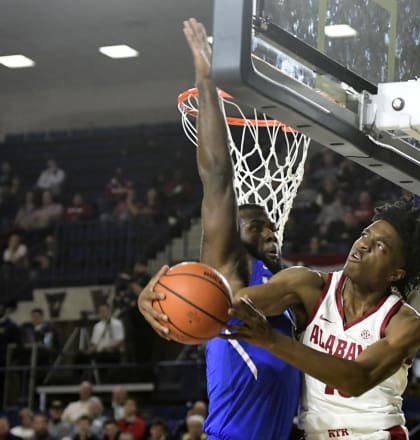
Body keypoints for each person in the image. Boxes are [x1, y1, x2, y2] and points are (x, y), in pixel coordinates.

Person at [137, 17, 299, 440]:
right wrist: (205, 76)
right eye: (255, 226)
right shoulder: (230, 272)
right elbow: (217, 176)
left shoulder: (288, 286)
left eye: (269, 226)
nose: (269, 232)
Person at [213, 196, 420, 438]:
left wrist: (270, 340)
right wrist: (173, 307)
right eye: (364, 235)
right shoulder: (308, 285)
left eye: (380, 246)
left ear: (396, 273)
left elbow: (357, 379)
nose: (363, 245)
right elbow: (233, 303)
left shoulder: (406, 323)